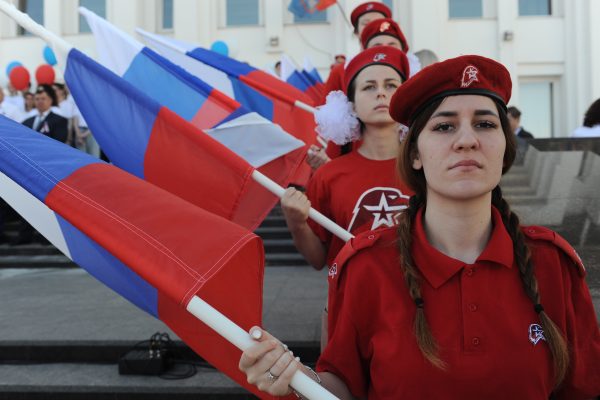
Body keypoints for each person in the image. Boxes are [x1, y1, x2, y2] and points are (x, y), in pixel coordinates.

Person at [239, 55, 600, 399]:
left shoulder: (554, 265)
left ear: (506, 147)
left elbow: (583, 388)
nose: (466, 140)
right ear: (414, 153)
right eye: (444, 126)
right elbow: (343, 386)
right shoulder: (365, 267)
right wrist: (295, 380)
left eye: (485, 124)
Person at [308, 16, 411, 170]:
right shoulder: (341, 73)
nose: (381, 93)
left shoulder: (419, 167)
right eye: (369, 87)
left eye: (390, 85)